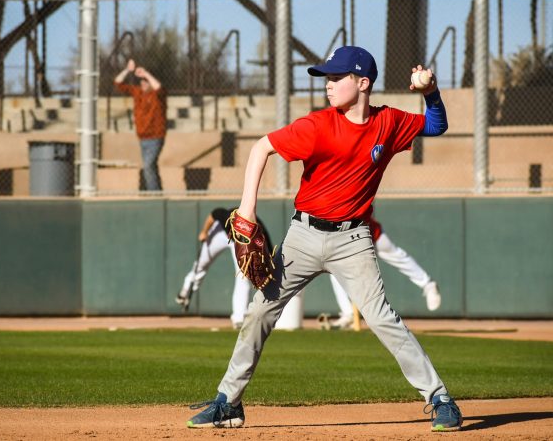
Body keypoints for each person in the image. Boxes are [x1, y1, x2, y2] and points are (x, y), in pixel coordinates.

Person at [186, 46, 463, 432]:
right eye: (326, 78)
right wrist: (246, 210)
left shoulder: (389, 123)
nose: (328, 85)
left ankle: (440, 399)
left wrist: (430, 92)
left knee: (382, 318)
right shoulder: (316, 126)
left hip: (353, 240)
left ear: (363, 83)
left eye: (336, 78)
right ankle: (228, 403)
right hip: (303, 236)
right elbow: (261, 147)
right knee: (259, 313)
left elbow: (436, 125)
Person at [329, 215, 441, 329]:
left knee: (397, 256)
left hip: (370, 233)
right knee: (335, 271)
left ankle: (428, 284)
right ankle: (348, 314)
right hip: (349, 239)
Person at [175, 207, 272, 329]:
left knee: (243, 276)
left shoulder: (258, 231)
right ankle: (186, 290)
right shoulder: (231, 217)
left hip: (239, 243)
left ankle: (239, 318)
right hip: (221, 232)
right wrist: (204, 231)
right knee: (201, 263)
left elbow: (269, 251)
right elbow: (214, 213)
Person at [114, 59, 167, 191]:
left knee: (148, 166)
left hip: (156, 137)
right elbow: (118, 83)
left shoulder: (157, 94)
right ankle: (157, 191)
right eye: (141, 81)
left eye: (145, 82)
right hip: (142, 137)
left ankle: (154, 195)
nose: (143, 84)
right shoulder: (137, 92)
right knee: (151, 167)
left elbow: (158, 87)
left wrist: (146, 74)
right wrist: (127, 70)